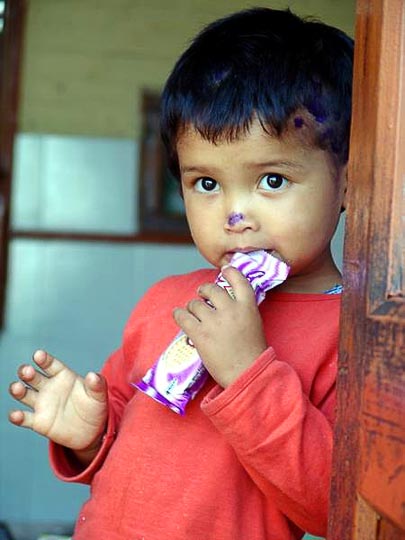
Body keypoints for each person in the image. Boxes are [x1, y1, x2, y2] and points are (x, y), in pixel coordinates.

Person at [8, 7, 353, 539]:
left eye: (273, 180)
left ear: (349, 182)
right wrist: (90, 434)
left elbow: (336, 509)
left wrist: (246, 373)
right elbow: (130, 435)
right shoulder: (165, 301)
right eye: (207, 184)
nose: (236, 216)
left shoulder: (351, 333)